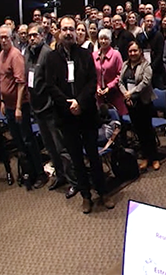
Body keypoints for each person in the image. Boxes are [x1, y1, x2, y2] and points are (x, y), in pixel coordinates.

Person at [45, 17, 114, 213]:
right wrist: (69, 104)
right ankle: (85, 195)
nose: (68, 32)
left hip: (87, 114)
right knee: (76, 158)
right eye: (65, 29)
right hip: (66, 117)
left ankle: (103, 192)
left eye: (71, 29)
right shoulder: (52, 58)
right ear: (59, 32)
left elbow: (92, 82)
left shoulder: (85, 54)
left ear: (76, 32)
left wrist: (79, 102)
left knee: (93, 156)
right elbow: (51, 86)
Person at [26, 23, 78, 194]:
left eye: (35, 35)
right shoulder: (28, 53)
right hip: (37, 109)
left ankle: (74, 181)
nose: (32, 38)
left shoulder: (48, 54)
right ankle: (60, 176)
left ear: (42, 35)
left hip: (50, 109)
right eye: (29, 35)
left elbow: (53, 84)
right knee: (49, 147)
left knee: (61, 147)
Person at [0, 25, 48, 188]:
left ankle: (40, 173)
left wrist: (19, 107)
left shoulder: (16, 56)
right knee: (18, 142)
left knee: (28, 140)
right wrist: (2, 102)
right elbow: (2, 81)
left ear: (12, 38)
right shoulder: (1, 55)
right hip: (9, 106)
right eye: (1, 37)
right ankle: (29, 171)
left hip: (21, 106)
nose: (3, 40)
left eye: (6, 37)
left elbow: (21, 84)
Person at [118, 41, 160, 171]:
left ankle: (154, 158)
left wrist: (130, 93)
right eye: (130, 51)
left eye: (135, 50)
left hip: (144, 102)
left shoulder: (145, 65)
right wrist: (125, 94)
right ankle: (146, 157)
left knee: (148, 131)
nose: (133, 53)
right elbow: (120, 81)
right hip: (131, 103)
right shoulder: (125, 65)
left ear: (140, 51)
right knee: (139, 131)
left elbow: (145, 83)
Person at [93, 29, 126, 118]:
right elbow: (92, 75)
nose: (103, 41)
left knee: (117, 122)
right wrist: (98, 87)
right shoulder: (94, 55)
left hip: (114, 94)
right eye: (101, 39)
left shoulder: (116, 54)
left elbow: (120, 74)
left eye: (106, 39)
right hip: (99, 96)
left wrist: (109, 87)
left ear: (110, 40)